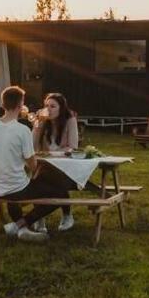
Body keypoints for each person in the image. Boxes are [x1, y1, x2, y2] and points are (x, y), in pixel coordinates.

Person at [0, 86, 67, 243]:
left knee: (17, 181)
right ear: (20, 105)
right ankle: (21, 224)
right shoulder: (22, 130)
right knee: (59, 192)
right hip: (14, 189)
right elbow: (32, 164)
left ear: (3, 104)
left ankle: (22, 229)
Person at [31, 92, 102, 232]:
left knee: (54, 179)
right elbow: (32, 146)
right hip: (45, 164)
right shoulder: (43, 121)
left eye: (53, 106)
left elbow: (73, 147)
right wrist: (37, 124)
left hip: (65, 166)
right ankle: (40, 219)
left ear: (61, 108)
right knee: (37, 181)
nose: (48, 109)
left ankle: (66, 215)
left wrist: (53, 154)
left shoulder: (70, 120)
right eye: (46, 106)